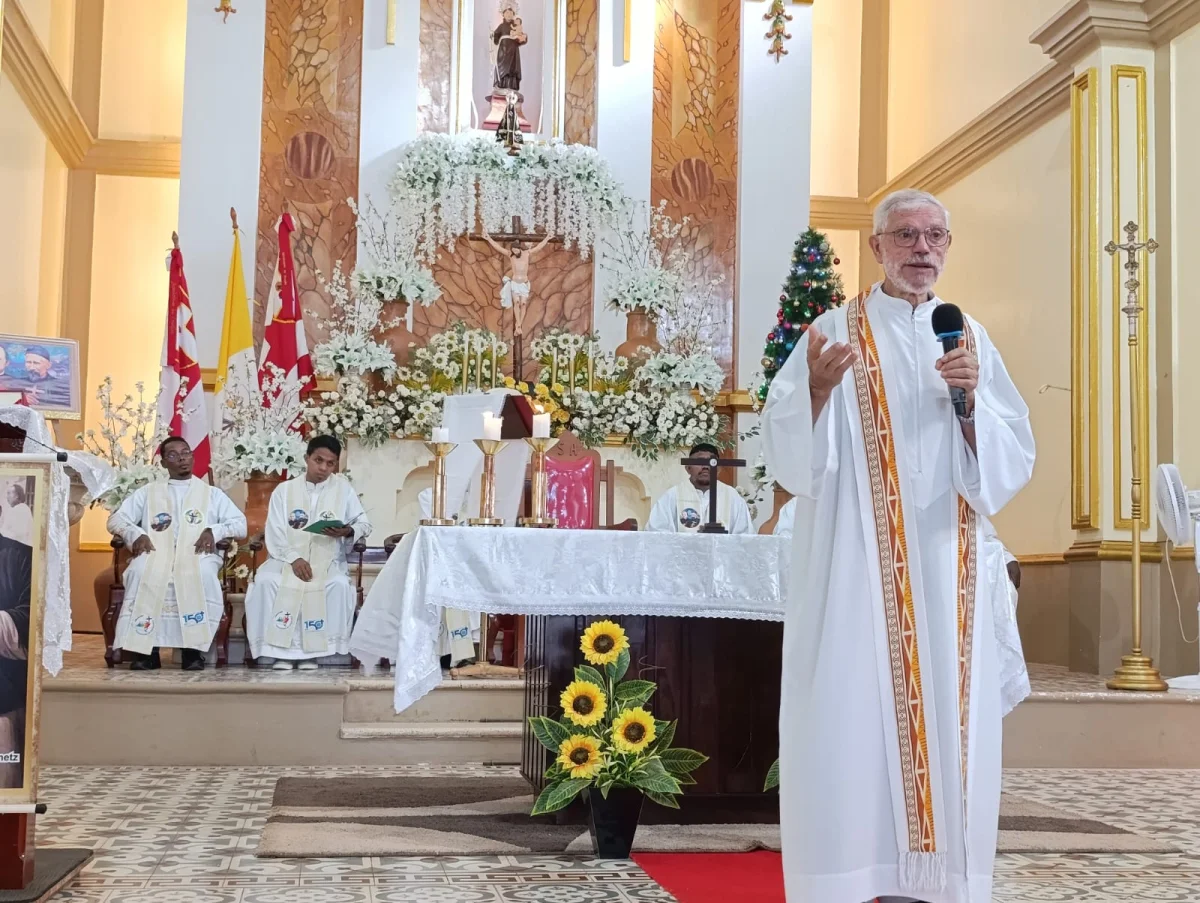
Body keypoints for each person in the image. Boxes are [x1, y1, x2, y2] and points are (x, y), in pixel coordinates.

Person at [762, 188, 1035, 903]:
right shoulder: (832, 328)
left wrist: (971, 407)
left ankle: (939, 880)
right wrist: (817, 394)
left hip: (949, 571)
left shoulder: (968, 335)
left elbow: (1010, 461)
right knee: (851, 721)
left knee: (948, 723)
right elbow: (789, 453)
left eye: (936, 236)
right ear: (878, 247)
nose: (924, 248)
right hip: (857, 573)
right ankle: (852, 876)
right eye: (907, 235)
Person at [107, 436, 246, 671]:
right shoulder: (148, 492)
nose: (182, 458)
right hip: (156, 553)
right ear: (163, 463)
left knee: (200, 574)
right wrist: (136, 534)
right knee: (140, 571)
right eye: (173, 455)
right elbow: (116, 519)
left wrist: (214, 530)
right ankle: (146, 652)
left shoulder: (211, 494)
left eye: (186, 452)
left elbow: (240, 525)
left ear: (192, 456)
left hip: (195, 555)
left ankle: (192, 653)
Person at [244, 435, 372, 670]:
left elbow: (364, 523)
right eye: (318, 460)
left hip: (328, 560)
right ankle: (279, 651)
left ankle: (312, 652)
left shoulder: (343, 490)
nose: (323, 468)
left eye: (330, 463)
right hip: (286, 558)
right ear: (307, 458)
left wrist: (347, 530)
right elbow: (275, 530)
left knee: (337, 585)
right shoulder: (284, 490)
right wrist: (294, 558)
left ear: (336, 465)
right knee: (266, 581)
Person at [647, 442, 753, 534]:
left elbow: (744, 536)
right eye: (700, 462)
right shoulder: (672, 496)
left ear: (719, 468)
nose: (705, 466)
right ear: (688, 468)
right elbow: (657, 532)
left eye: (711, 462)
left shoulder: (732, 497)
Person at [481, 227, 554, 336]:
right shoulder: (510, 255)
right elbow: (498, 248)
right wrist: (489, 239)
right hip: (515, 283)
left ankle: (518, 326)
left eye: (516, 249)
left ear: (519, 248)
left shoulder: (526, 253)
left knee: (523, 304)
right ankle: (518, 326)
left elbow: (538, 247)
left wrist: (547, 238)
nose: (514, 251)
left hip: (524, 284)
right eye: (513, 250)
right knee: (517, 302)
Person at [491, 3, 525, 91]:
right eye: (507, 13)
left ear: (514, 14)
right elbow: (496, 37)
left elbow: (521, 38)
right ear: (503, 14)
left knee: (513, 69)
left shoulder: (516, 26)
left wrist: (521, 38)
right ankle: (502, 85)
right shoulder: (501, 26)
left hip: (513, 50)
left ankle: (512, 87)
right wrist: (493, 36)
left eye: (511, 13)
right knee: (503, 68)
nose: (509, 15)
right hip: (503, 50)